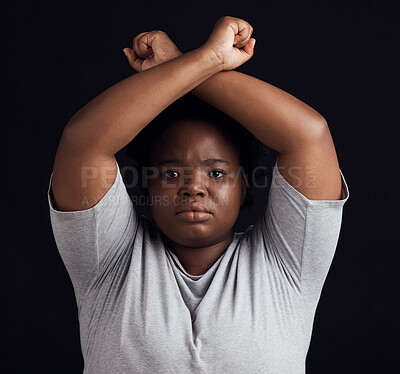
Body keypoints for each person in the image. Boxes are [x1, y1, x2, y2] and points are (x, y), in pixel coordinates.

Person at [47, 16, 350, 374]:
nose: (194, 187)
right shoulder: (109, 263)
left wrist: (182, 62)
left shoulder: (287, 264)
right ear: (146, 186)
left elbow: (309, 135)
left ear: (244, 188)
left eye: (217, 173)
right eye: (172, 173)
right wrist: (207, 60)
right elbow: (83, 142)